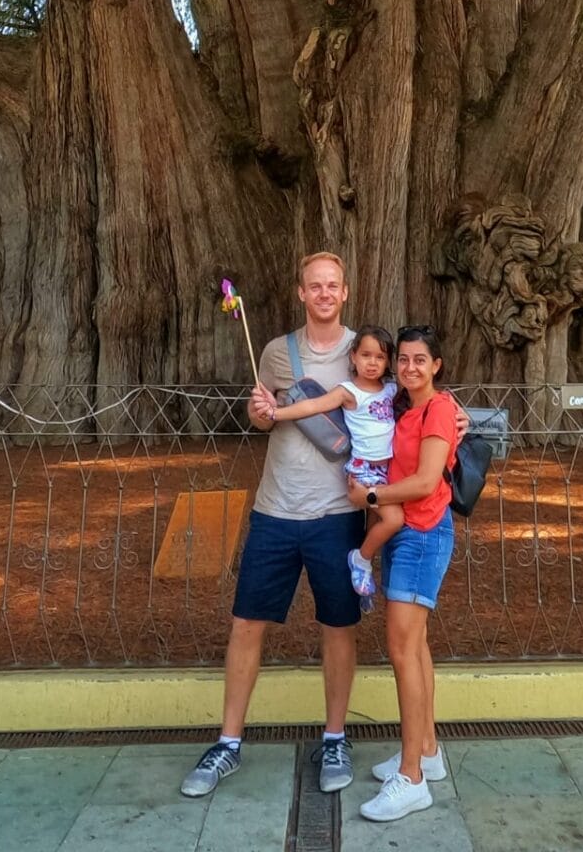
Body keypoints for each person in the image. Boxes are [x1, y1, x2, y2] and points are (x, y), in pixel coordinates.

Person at [181, 252, 364, 799]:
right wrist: (259, 412)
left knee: (338, 626)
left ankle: (335, 737)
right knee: (246, 623)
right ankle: (228, 741)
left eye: (332, 285)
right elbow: (261, 416)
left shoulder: (363, 351)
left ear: (345, 292)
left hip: (338, 513)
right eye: (315, 285)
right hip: (275, 509)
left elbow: (396, 403)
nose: (324, 293)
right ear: (301, 293)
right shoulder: (276, 352)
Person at [356, 324, 459, 824]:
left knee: (401, 651)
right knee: (415, 648)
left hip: (422, 534)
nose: (410, 367)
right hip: (405, 534)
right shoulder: (407, 407)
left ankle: (412, 779)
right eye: (404, 360)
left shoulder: (438, 409)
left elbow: (423, 482)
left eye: (421, 360)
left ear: (436, 365)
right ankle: (427, 752)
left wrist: (371, 497)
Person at [268, 325, 403, 604]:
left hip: (387, 470)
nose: (372, 362)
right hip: (364, 470)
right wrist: (276, 413)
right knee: (394, 519)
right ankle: (360, 559)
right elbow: (313, 406)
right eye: (366, 355)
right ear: (353, 356)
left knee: (376, 522)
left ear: (388, 361)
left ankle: (363, 572)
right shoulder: (348, 391)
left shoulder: (392, 390)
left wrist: (455, 412)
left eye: (380, 357)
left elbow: (425, 397)